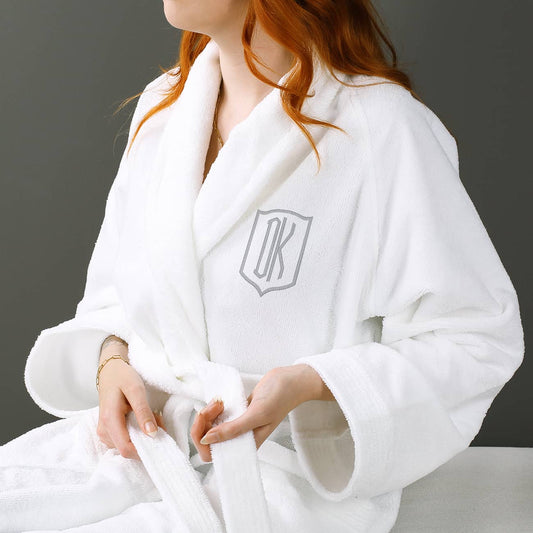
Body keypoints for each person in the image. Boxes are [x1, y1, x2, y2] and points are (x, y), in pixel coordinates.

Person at [0, 1, 525, 532]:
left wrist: (309, 384)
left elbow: (475, 337)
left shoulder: (380, 129)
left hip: (277, 476)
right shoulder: (165, 108)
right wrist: (111, 360)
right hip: (140, 447)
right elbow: (117, 293)